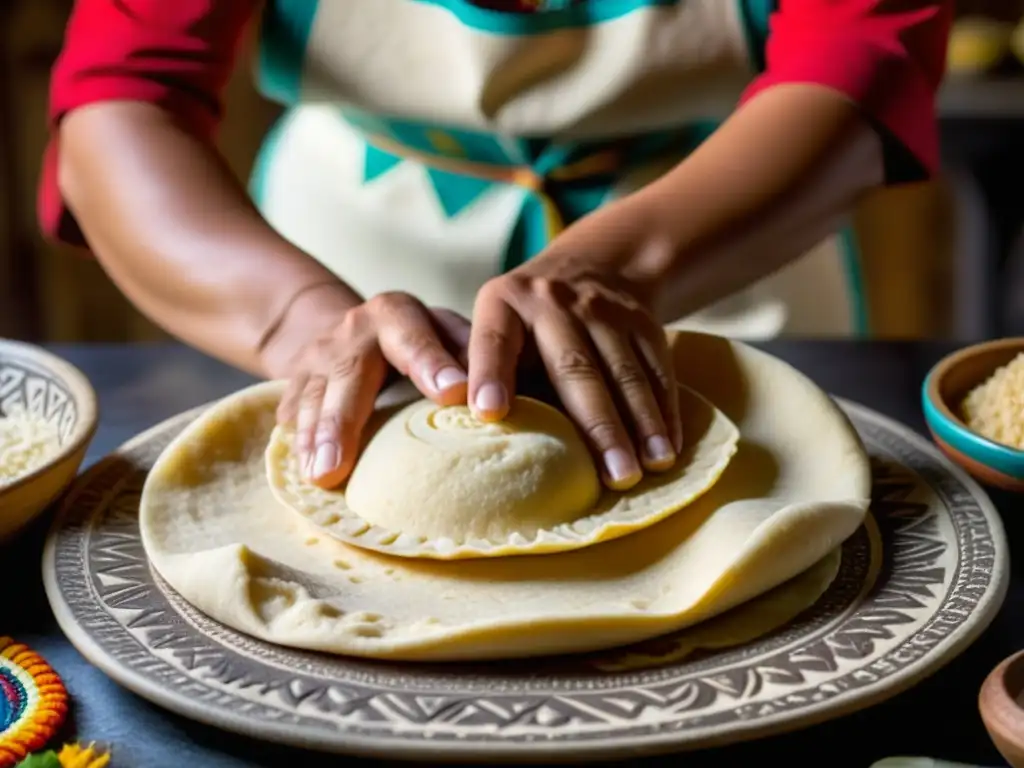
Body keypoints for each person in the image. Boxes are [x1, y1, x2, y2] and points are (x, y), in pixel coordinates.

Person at [41, 0, 950, 493]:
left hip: (716, 244)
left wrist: (615, 268)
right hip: (335, 253)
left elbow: (860, 62)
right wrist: (302, 331)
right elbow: (123, 98)